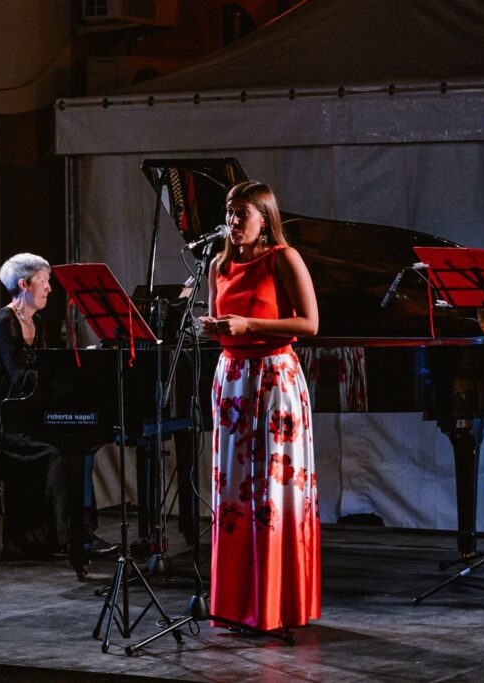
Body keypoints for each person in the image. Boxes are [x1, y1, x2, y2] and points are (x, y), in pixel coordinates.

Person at [199, 180, 320, 632]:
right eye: (229, 212)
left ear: (264, 219)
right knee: (234, 491)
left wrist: (249, 324)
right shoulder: (218, 265)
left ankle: (277, 604)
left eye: (242, 213)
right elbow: (222, 321)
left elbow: (310, 323)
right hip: (232, 378)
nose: (232, 221)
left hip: (273, 378)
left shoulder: (283, 258)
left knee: (272, 488)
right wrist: (215, 328)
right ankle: (236, 603)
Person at [0, 253, 100, 578]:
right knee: (50, 454)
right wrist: (56, 376)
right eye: (44, 281)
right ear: (24, 285)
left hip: (19, 413)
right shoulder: (4, 322)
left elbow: (37, 372)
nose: (50, 288)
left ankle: (74, 534)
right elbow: (18, 374)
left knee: (71, 449)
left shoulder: (36, 324)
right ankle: (60, 539)